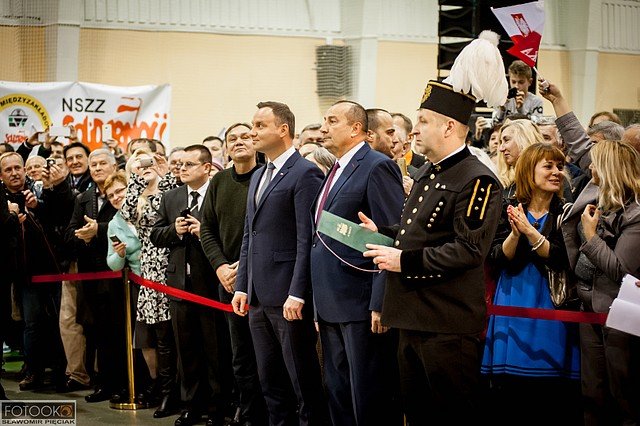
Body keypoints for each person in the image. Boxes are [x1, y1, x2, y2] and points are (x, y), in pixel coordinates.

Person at [362, 75, 503, 423]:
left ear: (449, 127)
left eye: (423, 121)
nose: (414, 130)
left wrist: (404, 261)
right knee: (417, 413)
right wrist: (384, 232)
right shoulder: (429, 171)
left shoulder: (477, 179)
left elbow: (468, 250)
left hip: (446, 321)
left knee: (451, 414)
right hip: (412, 314)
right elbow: (419, 232)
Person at [231, 101, 327, 426]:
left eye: (259, 126)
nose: (252, 132)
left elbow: (306, 238)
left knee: (303, 383)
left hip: (288, 296)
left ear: (283, 129)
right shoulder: (260, 173)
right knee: (270, 384)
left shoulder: (305, 172)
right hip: (258, 296)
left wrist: (298, 292)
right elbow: (250, 234)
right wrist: (242, 286)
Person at [311, 100, 404, 425]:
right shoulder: (335, 169)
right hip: (330, 300)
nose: (323, 127)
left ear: (355, 129)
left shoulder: (377, 166)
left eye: (332, 121)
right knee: (338, 391)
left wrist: (380, 301)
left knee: (368, 396)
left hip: (361, 301)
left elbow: (390, 234)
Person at [481, 143, 581, 424]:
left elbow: (562, 258)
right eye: (548, 166)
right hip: (512, 300)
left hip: (551, 306)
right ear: (529, 171)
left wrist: (530, 232)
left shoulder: (566, 212)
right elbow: (497, 258)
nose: (557, 172)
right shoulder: (506, 208)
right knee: (509, 396)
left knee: (550, 395)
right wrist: (515, 234)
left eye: (559, 166)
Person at [563, 140, 640, 425]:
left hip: (620, 315)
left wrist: (591, 235)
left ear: (609, 168)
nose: (590, 167)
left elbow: (621, 270)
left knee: (622, 394)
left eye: (596, 162)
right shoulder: (600, 200)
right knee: (592, 392)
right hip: (589, 307)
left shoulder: (636, 213)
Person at [150, 145, 225, 426]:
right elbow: (155, 234)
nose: (182, 169)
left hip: (211, 283)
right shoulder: (171, 196)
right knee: (187, 349)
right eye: (180, 164)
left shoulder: (217, 193)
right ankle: (191, 405)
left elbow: (229, 233)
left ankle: (217, 408)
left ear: (207, 167)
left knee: (215, 349)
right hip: (179, 284)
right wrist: (175, 230)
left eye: (189, 164)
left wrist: (202, 229)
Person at [200, 122, 267, 426]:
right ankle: (247, 410)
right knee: (239, 354)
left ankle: (268, 413)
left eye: (245, 136)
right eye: (232, 138)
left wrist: (245, 264)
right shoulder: (219, 181)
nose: (239, 141)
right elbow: (207, 229)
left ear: (256, 142)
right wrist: (220, 267)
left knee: (265, 353)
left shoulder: (266, 177)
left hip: (260, 278)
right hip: (227, 279)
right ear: (226, 147)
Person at [64, 148, 127, 403]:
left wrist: (98, 230)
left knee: (120, 331)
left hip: (119, 275)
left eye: (102, 163)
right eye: (94, 165)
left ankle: (125, 384)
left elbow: (129, 227)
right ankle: (105, 383)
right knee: (98, 332)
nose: (97, 168)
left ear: (114, 167)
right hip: (90, 275)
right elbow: (70, 233)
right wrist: (84, 236)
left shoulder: (122, 192)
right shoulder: (83, 198)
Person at [120, 149, 179, 417]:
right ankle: (166, 392)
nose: (145, 166)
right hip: (151, 273)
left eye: (148, 161)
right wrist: (135, 178)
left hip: (173, 265)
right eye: (139, 162)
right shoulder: (136, 195)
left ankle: (180, 392)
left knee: (176, 336)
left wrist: (164, 173)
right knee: (160, 338)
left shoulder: (169, 189)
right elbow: (126, 213)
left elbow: (173, 204)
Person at [492, 60, 544, 124]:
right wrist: (501, 109)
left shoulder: (536, 101)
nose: (516, 86)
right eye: (513, 82)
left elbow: (536, 126)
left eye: (521, 82)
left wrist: (521, 110)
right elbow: (494, 126)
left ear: (530, 82)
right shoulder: (502, 99)